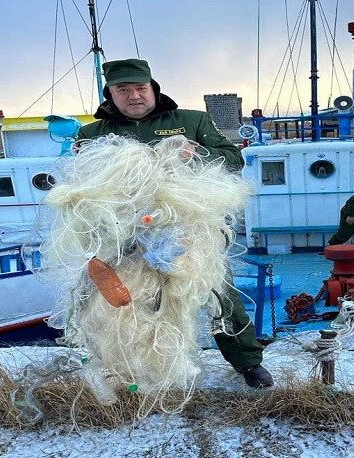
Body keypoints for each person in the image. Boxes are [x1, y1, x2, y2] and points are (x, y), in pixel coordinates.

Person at [76, 58, 272, 389]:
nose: (134, 96)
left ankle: (247, 362)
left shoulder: (191, 121)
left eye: (140, 88)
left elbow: (233, 159)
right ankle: (133, 365)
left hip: (187, 230)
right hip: (127, 234)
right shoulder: (93, 133)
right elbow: (83, 181)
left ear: (153, 88)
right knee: (124, 299)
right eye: (123, 90)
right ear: (110, 94)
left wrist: (196, 155)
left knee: (219, 292)